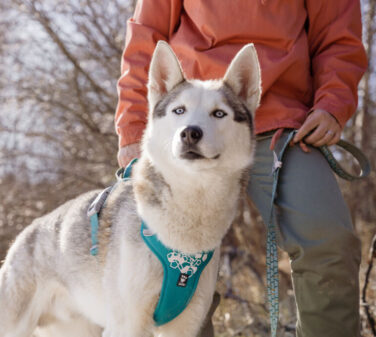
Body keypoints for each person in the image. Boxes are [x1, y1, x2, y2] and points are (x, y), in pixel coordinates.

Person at [114, 1, 368, 336]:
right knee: (161, 258)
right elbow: (146, 39)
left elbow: (337, 37)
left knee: (327, 242)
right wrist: (133, 130)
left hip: (285, 127)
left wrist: (333, 104)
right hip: (190, 122)